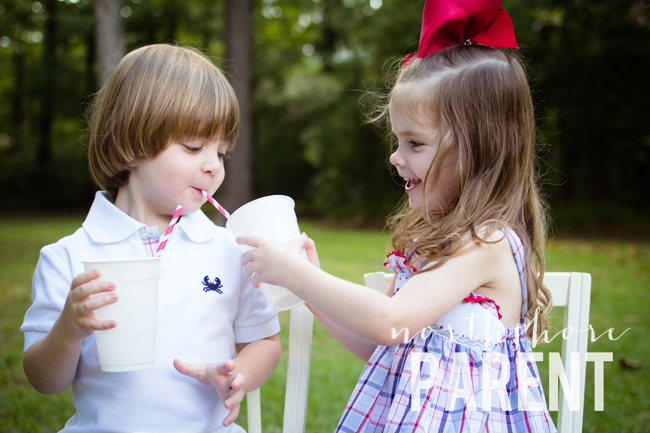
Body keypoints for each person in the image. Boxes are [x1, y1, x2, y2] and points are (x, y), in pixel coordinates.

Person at [239, 0, 557, 431]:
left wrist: (296, 274)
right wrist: (313, 286)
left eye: (415, 144)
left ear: (478, 149)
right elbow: (381, 343)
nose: (396, 157)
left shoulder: (488, 242)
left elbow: (390, 322)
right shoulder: (434, 242)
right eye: (397, 141)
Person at [21, 44, 281, 432]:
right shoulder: (69, 257)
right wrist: (68, 329)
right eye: (194, 147)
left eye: (221, 152)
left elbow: (265, 341)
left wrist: (239, 373)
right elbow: (45, 380)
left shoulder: (229, 249)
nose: (212, 166)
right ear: (130, 147)